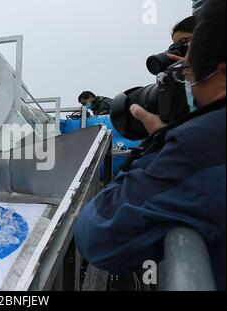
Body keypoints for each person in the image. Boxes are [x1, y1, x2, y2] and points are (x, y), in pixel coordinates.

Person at [74, 0, 226, 291]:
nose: (185, 80)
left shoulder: (196, 145)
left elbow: (97, 233)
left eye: (188, 71)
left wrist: (160, 141)